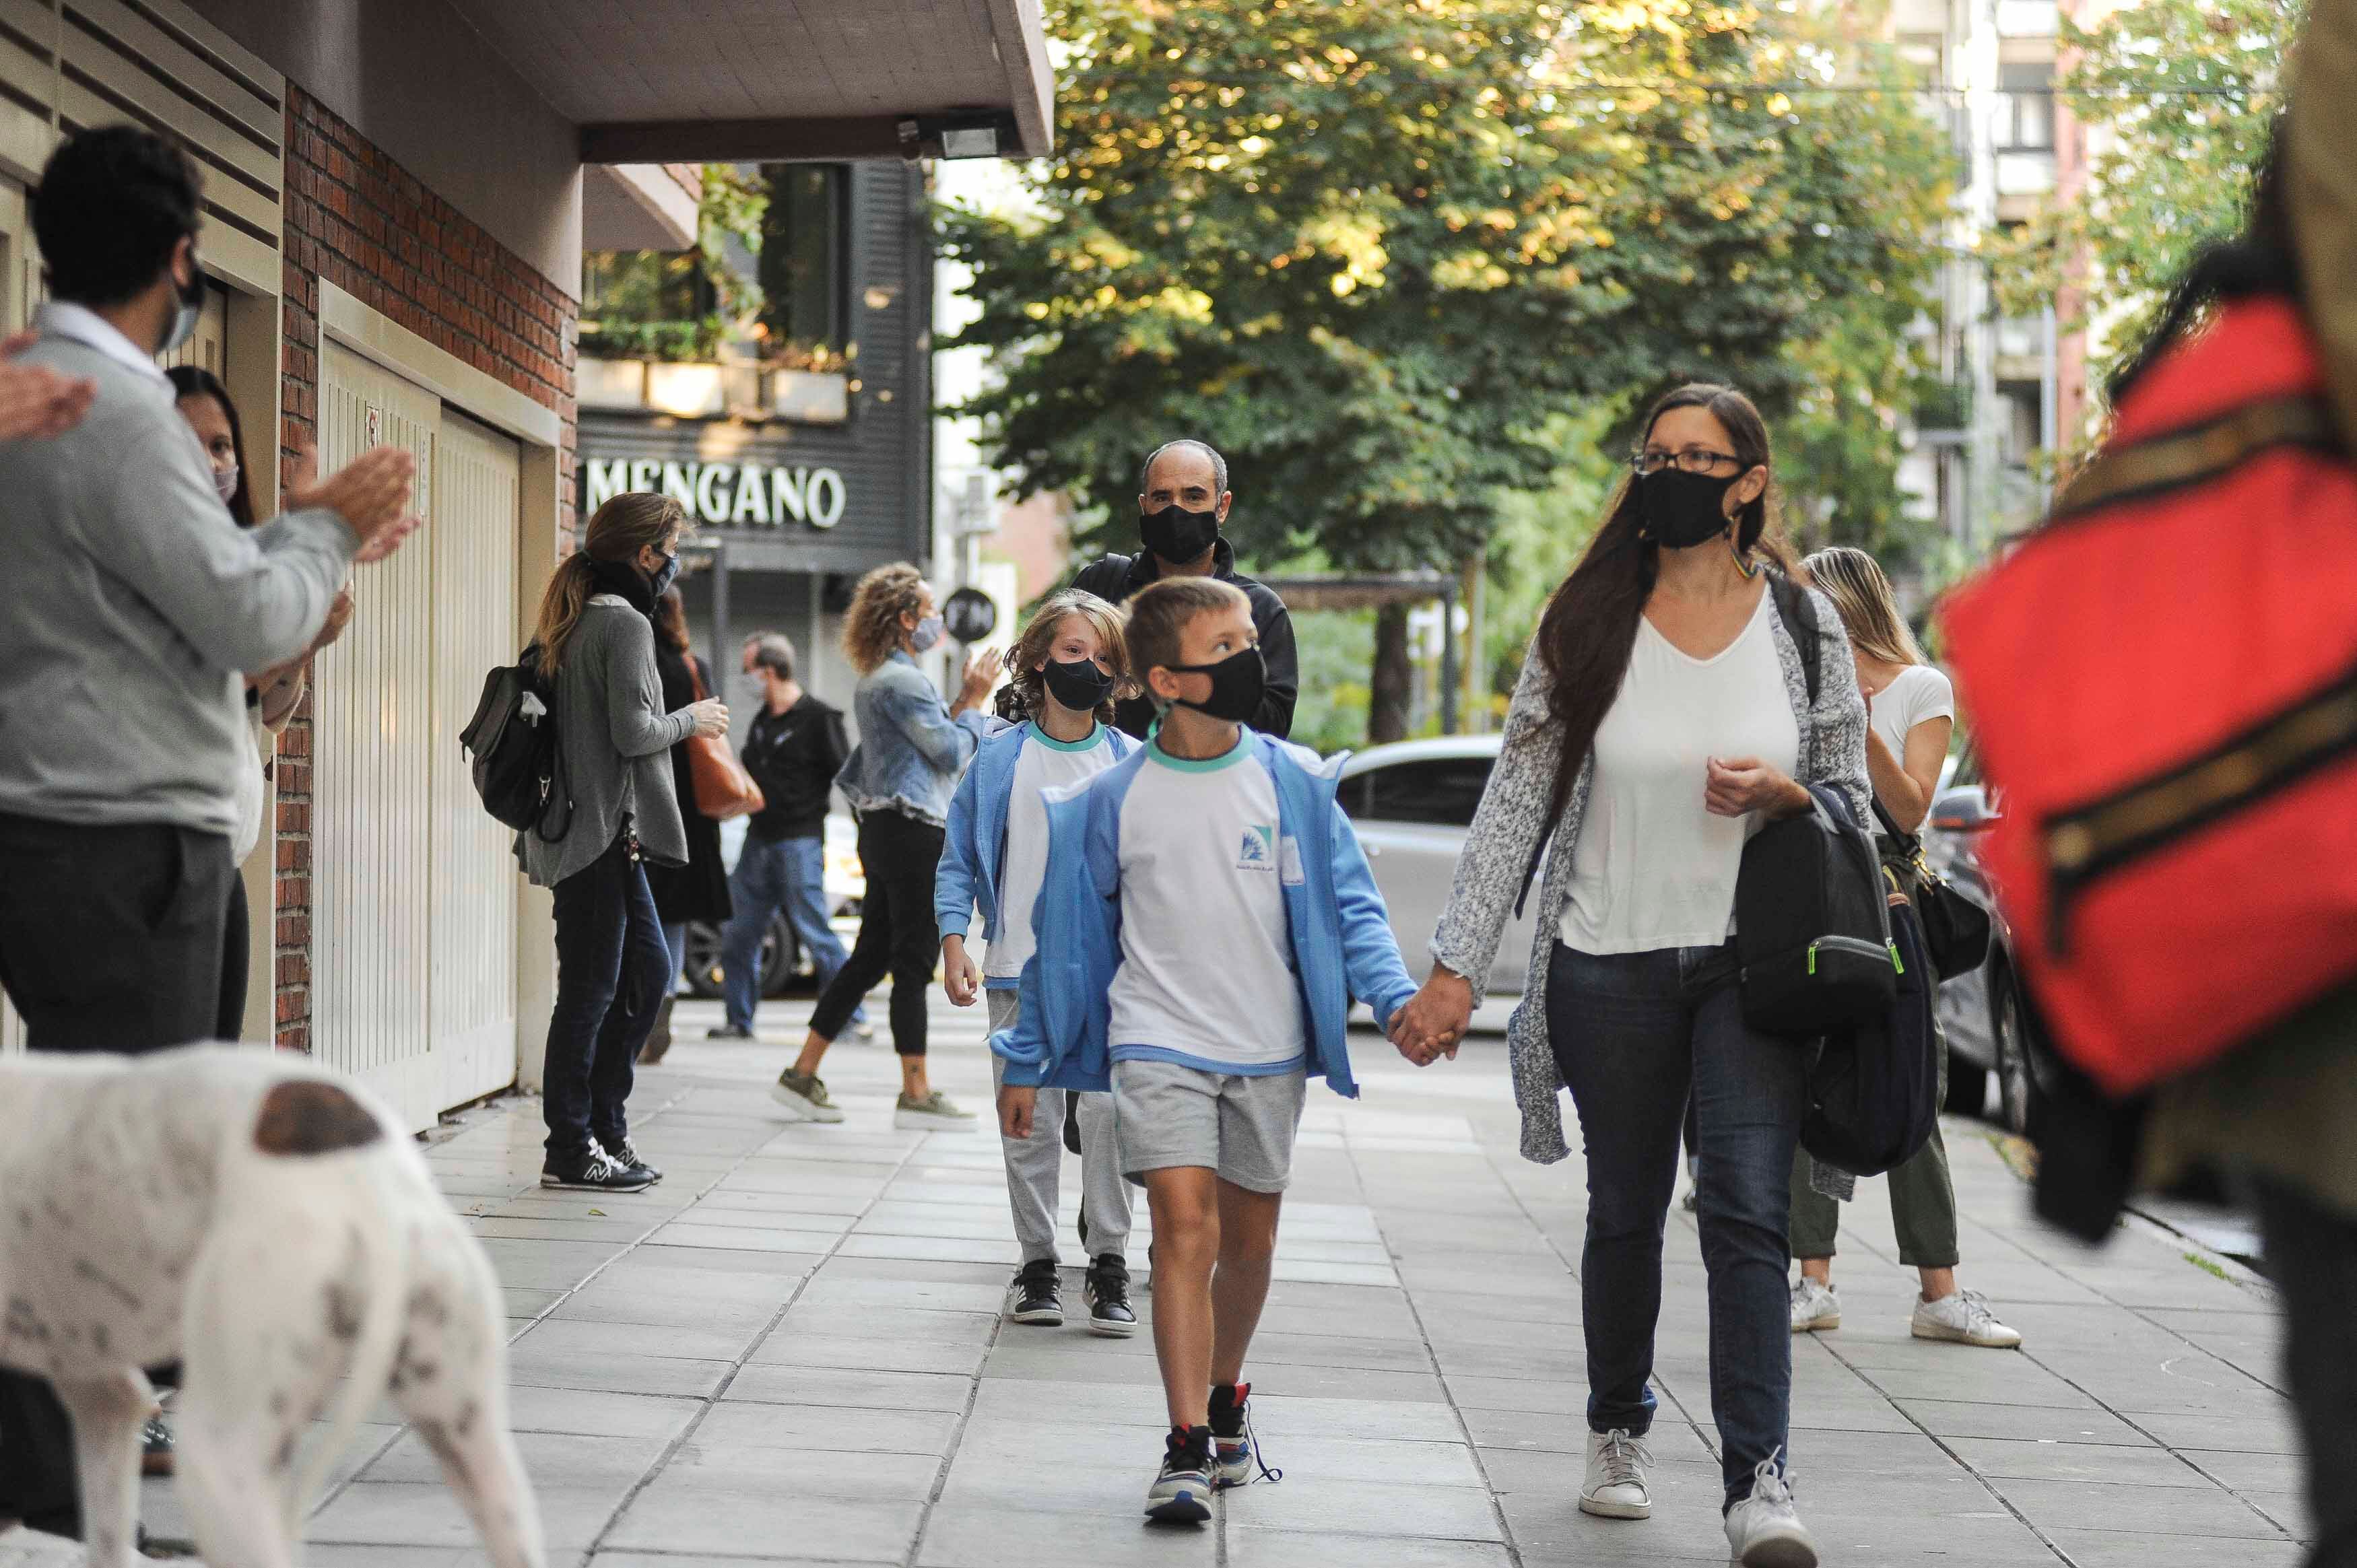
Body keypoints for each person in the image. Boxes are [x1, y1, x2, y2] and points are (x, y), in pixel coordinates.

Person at [0, 123, 417, 1540]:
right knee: (115, 1185)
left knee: (67, 1166)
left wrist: (294, 540)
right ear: (182, 259)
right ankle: (51, 1479)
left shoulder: (18, 387)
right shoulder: (113, 410)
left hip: (44, 825)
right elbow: (242, 618)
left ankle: (62, 1477)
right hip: (125, 844)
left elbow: (159, 599)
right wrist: (326, 530)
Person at [1393, 385, 1869, 1567]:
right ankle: (1618, 1422)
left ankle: (1760, 1475)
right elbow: (1516, 797)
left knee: (1750, 1211)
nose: (1671, 473)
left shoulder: (1803, 627)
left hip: (1751, 970)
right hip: (1604, 958)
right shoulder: (1589, 615)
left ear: (1749, 482)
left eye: (1698, 457)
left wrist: (1787, 792)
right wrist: (1455, 966)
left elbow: (1855, 801)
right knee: (1623, 1211)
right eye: (1656, 453)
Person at [992, 576, 1422, 1524]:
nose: (1246, 661)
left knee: (1249, 1242)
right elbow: (1059, 940)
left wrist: (1396, 1000)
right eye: (1222, 648)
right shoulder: (1110, 802)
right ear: (1165, 681)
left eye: (1246, 642)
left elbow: (1353, 907)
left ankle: (1229, 1393)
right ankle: (1185, 1442)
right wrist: (1025, 1058)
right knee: (1182, 1231)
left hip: (1267, 1050)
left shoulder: (1294, 782)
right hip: (1157, 1040)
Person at [1783, 546, 2022, 1351]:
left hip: (1885, 899)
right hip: (1808, 888)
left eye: (1809, 605)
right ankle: (1810, 1280)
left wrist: (1850, 713)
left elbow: (1909, 805)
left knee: (1907, 1079)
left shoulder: (1921, 688)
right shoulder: (1792, 685)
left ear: (1846, 606)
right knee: (1808, 1075)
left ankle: (1938, 1289)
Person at [937, 590, 1141, 1336]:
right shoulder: (998, 760)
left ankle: (1111, 1260)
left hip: (1109, 981)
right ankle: (1037, 1262)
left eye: (1103, 658)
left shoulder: (1130, 761)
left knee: (1111, 1116)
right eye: (1072, 652)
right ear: (1035, 660)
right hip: (1014, 970)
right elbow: (958, 858)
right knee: (1026, 1124)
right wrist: (954, 939)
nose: (1088, 669)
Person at [518, 493, 728, 1194]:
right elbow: (633, 734)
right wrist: (692, 718)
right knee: (590, 994)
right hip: (596, 838)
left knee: (643, 977)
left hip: (597, 834)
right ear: (645, 554)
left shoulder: (576, 617)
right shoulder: (624, 624)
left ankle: (603, 1128)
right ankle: (570, 1145)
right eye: (670, 548)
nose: (674, 563)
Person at [768, 564, 999, 1128]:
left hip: (885, 831)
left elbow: (923, 745)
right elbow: (949, 753)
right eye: (927, 608)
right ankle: (915, 1091)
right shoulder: (902, 682)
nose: (936, 619)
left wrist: (960, 703)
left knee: (872, 954)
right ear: (904, 620)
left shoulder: (884, 680)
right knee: (913, 959)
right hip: (913, 830)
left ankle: (802, 1072)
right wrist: (973, 699)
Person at [170, 366, 356, 1044]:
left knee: (212, 1070)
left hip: (219, 861)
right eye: (192, 444)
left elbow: (259, 712)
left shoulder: (233, 559)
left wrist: (302, 648)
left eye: (222, 446)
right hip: (151, 869)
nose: (214, 462)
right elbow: (198, 681)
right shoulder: (139, 554)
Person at [1071, 438, 1300, 739]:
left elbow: (1273, 729)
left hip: (1213, 783)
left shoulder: (1259, 610)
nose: (1176, 511)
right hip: (1111, 780)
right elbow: (1041, 680)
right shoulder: (1101, 587)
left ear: (1222, 507)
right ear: (1144, 506)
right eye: (1162, 498)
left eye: (1194, 496)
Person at [707, 632, 868, 1044]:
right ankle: (738, 1021)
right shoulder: (764, 721)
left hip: (800, 841)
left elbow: (849, 778)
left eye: (749, 670)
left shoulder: (819, 718)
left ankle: (852, 1017)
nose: (746, 679)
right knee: (739, 933)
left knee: (815, 931)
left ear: (769, 671)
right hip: (758, 839)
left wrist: (867, 835)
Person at [638, 587, 732, 1064]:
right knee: (674, 917)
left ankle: (638, 1012)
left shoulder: (638, 658)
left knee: (639, 907)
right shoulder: (692, 665)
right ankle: (661, 1014)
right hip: (692, 810)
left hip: (645, 799)